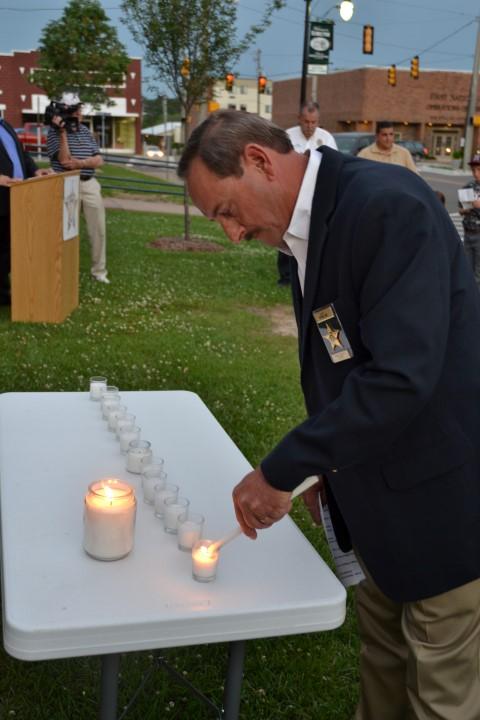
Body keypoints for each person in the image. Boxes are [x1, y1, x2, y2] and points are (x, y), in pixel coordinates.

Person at [178, 110, 480, 720]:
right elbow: (340, 357)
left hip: (441, 507)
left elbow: (398, 377)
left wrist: (287, 468)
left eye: (226, 211)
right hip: (372, 502)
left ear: (261, 161)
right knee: (384, 664)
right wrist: (328, 472)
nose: (231, 235)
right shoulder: (305, 226)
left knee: (440, 691)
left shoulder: (386, 207)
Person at [46, 92, 109, 284]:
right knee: (65, 231)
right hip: (66, 185)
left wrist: (81, 163)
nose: (79, 114)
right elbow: (65, 160)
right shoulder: (53, 133)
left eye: (79, 110)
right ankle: (62, 270)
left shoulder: (85, 131)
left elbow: (99, 160)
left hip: (89, 184)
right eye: (76, 110)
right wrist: (63, 132)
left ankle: (99, 271)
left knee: (98, 230)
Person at [277, 102, 338, 286]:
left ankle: (311, 274)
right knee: (286, 233)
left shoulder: (325, 138)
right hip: (291, 193)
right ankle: (286, 276)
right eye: (306, 121)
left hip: (315, 193)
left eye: (314, 122)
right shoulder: (287, 136)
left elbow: (333, 165)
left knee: (312, 234)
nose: (310, 126)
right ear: (299, 119)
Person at [0, 118, 51, 305]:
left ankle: (4, 294)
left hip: (16, 196)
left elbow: (21, 154)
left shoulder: (5, 125)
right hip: (2, 194)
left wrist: (36, 171)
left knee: (7, 250)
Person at [459, 154, 480, 287]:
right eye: (473, 170)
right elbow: (460, 209)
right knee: (467, 269)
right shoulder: (468, 186)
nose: (476, 174)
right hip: (468, 232)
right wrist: (465, 209)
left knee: (478, 272)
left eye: (479, 170)